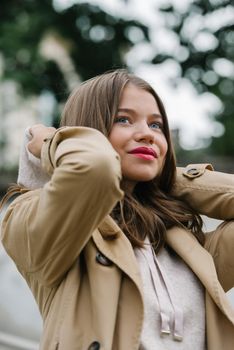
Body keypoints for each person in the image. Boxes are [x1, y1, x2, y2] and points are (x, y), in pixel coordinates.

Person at [0, 70, 234, 350]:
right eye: (123, 119)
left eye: (156, 125)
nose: (147, 134)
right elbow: (94, 166)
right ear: (88, 130)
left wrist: (168, 176)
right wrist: (52, 142)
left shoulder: (188, 246)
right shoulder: (42, 222)